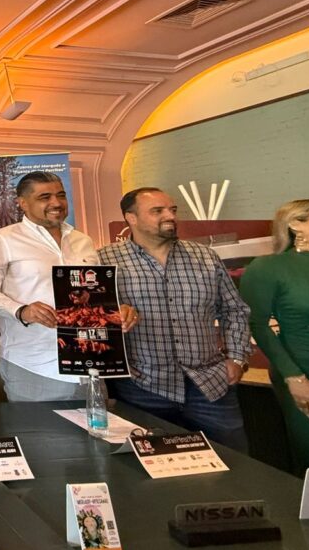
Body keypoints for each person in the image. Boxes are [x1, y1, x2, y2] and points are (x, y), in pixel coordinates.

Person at [98, 188, 251, 452]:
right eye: (157, 211)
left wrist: (237, 358)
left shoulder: (205, 257)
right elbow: (90, 318)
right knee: (152, 464)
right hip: (143, 386)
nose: (169, 216)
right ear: (131, 218)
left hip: (210, 384)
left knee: (234, 460)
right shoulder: (104, 260)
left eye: (172, 210)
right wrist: (111, 314)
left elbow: (234, 310)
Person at [0, 172, 139, 401]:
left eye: (61, 195)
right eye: (45, 197)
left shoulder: (83, 241)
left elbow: (95, 294)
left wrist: (117, 311)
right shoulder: (3, 239)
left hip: (89, 362)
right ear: (23, 203)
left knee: (95, 424)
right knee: (39, 426)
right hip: (34, 364)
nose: (56, 203)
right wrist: (22, 311)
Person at [240, 199, 309, 474]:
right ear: (295, 224)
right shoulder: (269, 267)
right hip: (303, 371)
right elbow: (256, 324)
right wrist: (293, 377)